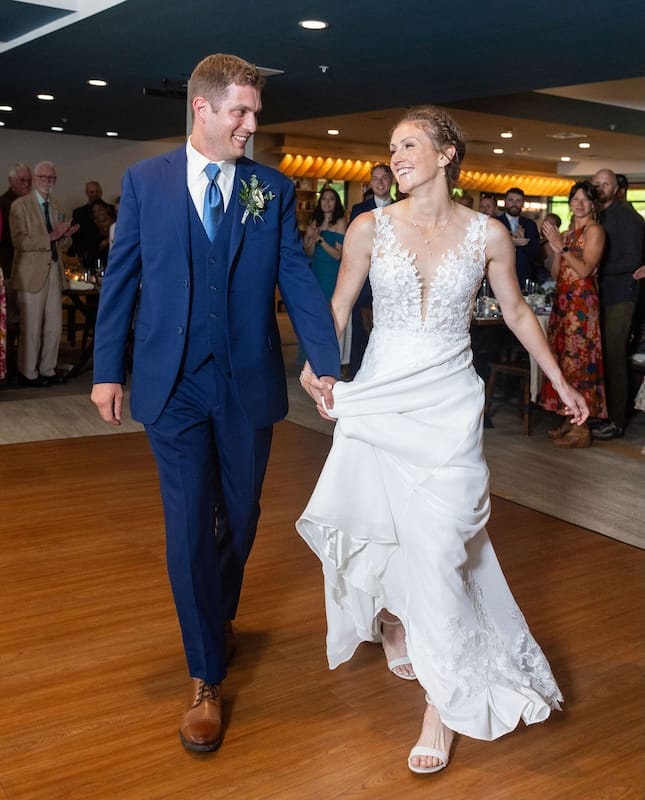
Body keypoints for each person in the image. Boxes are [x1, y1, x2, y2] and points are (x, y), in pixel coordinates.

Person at [297, 105, 588, 776]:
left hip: (448, 399)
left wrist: (560, 383)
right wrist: (315, 366)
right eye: (391, 147)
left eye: (407, 145)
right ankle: (408, 634)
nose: (394, 157)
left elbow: (513, 310)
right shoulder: (369, 226)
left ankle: (440, 694)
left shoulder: (488, 234)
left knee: (440, 539)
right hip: (379, 395)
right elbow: (338, 305)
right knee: (390, 524)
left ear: (446, 153)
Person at [90, 52, 340, 754]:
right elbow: (123, 281)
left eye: (254, 112)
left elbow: (294, 275)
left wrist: (324, 363)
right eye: (240, 112)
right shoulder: (146, 182)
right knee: (187, 522)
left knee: (242, 512)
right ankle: (205, 674)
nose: (251, 125)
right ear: (201, 109)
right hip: (170, 384)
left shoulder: (270, 188)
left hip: (246, 381)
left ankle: (214, 609)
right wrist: (108, 369)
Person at [540, 182, 607, 447]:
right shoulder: (567, 233)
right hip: (563, 300)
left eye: (584, 200)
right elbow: (556, 274)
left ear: (593, 204)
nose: (579, 204)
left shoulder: (595, 230)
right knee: (564, 361)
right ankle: (570, 420)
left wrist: (563, 247)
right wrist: (558, 246)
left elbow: (585, 270)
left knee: (580, 362)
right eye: (574, 199)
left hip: (582, 303)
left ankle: (583, 428)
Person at [9, 161, 78, 386]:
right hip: (30, 274)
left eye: (52, 178)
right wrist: (52, 235)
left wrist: (66, 235)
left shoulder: (56, 205)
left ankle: (47, 369)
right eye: (44, 177)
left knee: (54, 325)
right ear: (36, 179)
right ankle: (28, 373)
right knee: (31, 327)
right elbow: (20, 241)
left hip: (54, 271)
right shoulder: (20, 206)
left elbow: (61, 244)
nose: (48, 182)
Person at [590, 168, 644, 440]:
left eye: (605, 184)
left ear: (616, 188)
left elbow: (633, 260)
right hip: (602, 295)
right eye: (596, 184)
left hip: (622, 296)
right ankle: (602, 413)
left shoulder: (626, 217)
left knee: (614, 358)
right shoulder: (599, 215)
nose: (600, 188)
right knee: (603, 357)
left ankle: (617, 421)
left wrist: (596, 267)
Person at [348, 163, 396, 377]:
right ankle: (358, 374)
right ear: (370, 182)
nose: (379, 182)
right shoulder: (360, 210)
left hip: (391, 279)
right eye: (375, 178)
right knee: (361, 330)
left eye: (384, 178)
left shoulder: (400, 208)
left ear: (391, 181)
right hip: (364, 278)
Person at [301, 187, 347, 364]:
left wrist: (320, 239)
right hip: (316, 271)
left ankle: (331, 358)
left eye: (331, 199)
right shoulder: (315, 220)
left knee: (330, 315)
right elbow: (309, 252)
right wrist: (311, 240)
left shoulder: (341, 222)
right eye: (324, 199)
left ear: (336, 203)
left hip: (332, 273)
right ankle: (313, 358)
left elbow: (338, 255)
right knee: (315, 314)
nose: (327, 202)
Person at [496, 187, 541, 291]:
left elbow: (537, 252)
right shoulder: (495, 222)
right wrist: (509, 242)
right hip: (500, 275)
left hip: (524, 277)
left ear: (522, 203)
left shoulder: (530, 225)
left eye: (518, 201)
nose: (514, 204)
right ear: (505, 202)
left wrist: (523, 243)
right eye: (511, 200)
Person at [69, 181, 115, 267]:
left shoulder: (112, 208)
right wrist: (81, 255)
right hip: (90, 254)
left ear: (101, 192)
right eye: (91, 192)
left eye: (97, 191)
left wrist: (107, 241)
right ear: (86, 193)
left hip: (112, 252)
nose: (95, 194)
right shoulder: (79, 213)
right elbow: (76, 237)